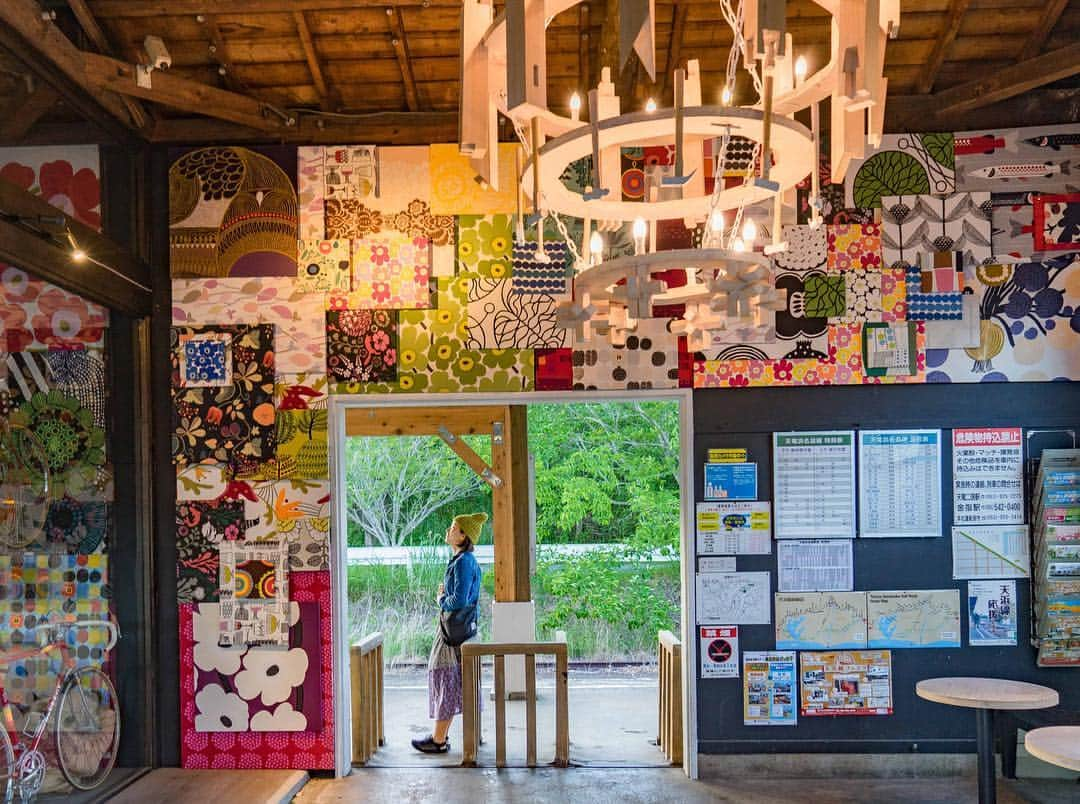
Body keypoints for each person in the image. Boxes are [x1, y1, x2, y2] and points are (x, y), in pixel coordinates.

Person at [411, 512, 486, 754]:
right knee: (457, 682)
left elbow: (459, 600)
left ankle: (439, 739)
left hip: (452, 634)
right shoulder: (464, 560)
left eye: (454, 527)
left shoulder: (463, 561)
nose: (449, 530)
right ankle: (460, 735)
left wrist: (441, 598)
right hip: (461, 631)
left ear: (463, 535)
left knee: (446, 680)